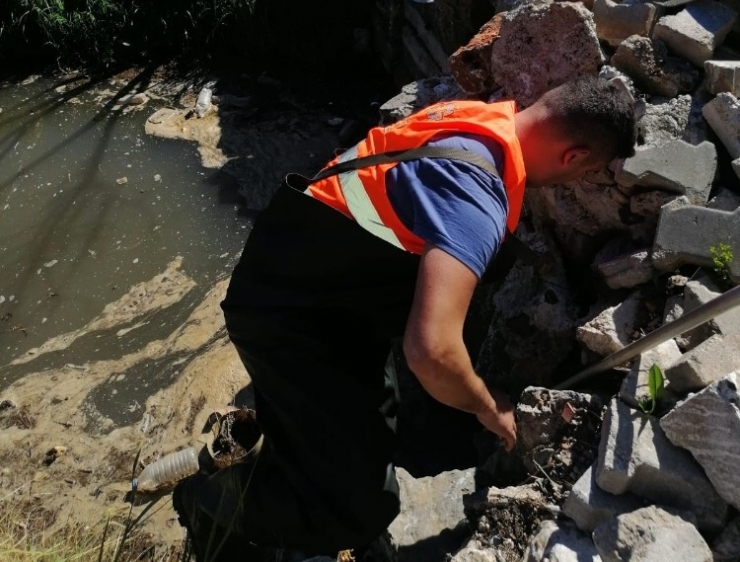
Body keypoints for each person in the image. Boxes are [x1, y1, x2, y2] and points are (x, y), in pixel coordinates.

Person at [174, 75, 635, 562]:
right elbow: (432, 352)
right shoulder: (477, 198)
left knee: (369, 420)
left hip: (317, 285)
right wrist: (487, 405)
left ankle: (293, 465)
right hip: (286, 316)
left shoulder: (477, 117)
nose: (575, 184)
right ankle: (206, 502)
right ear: (574, 157)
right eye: (587, 174)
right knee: (358, 511)